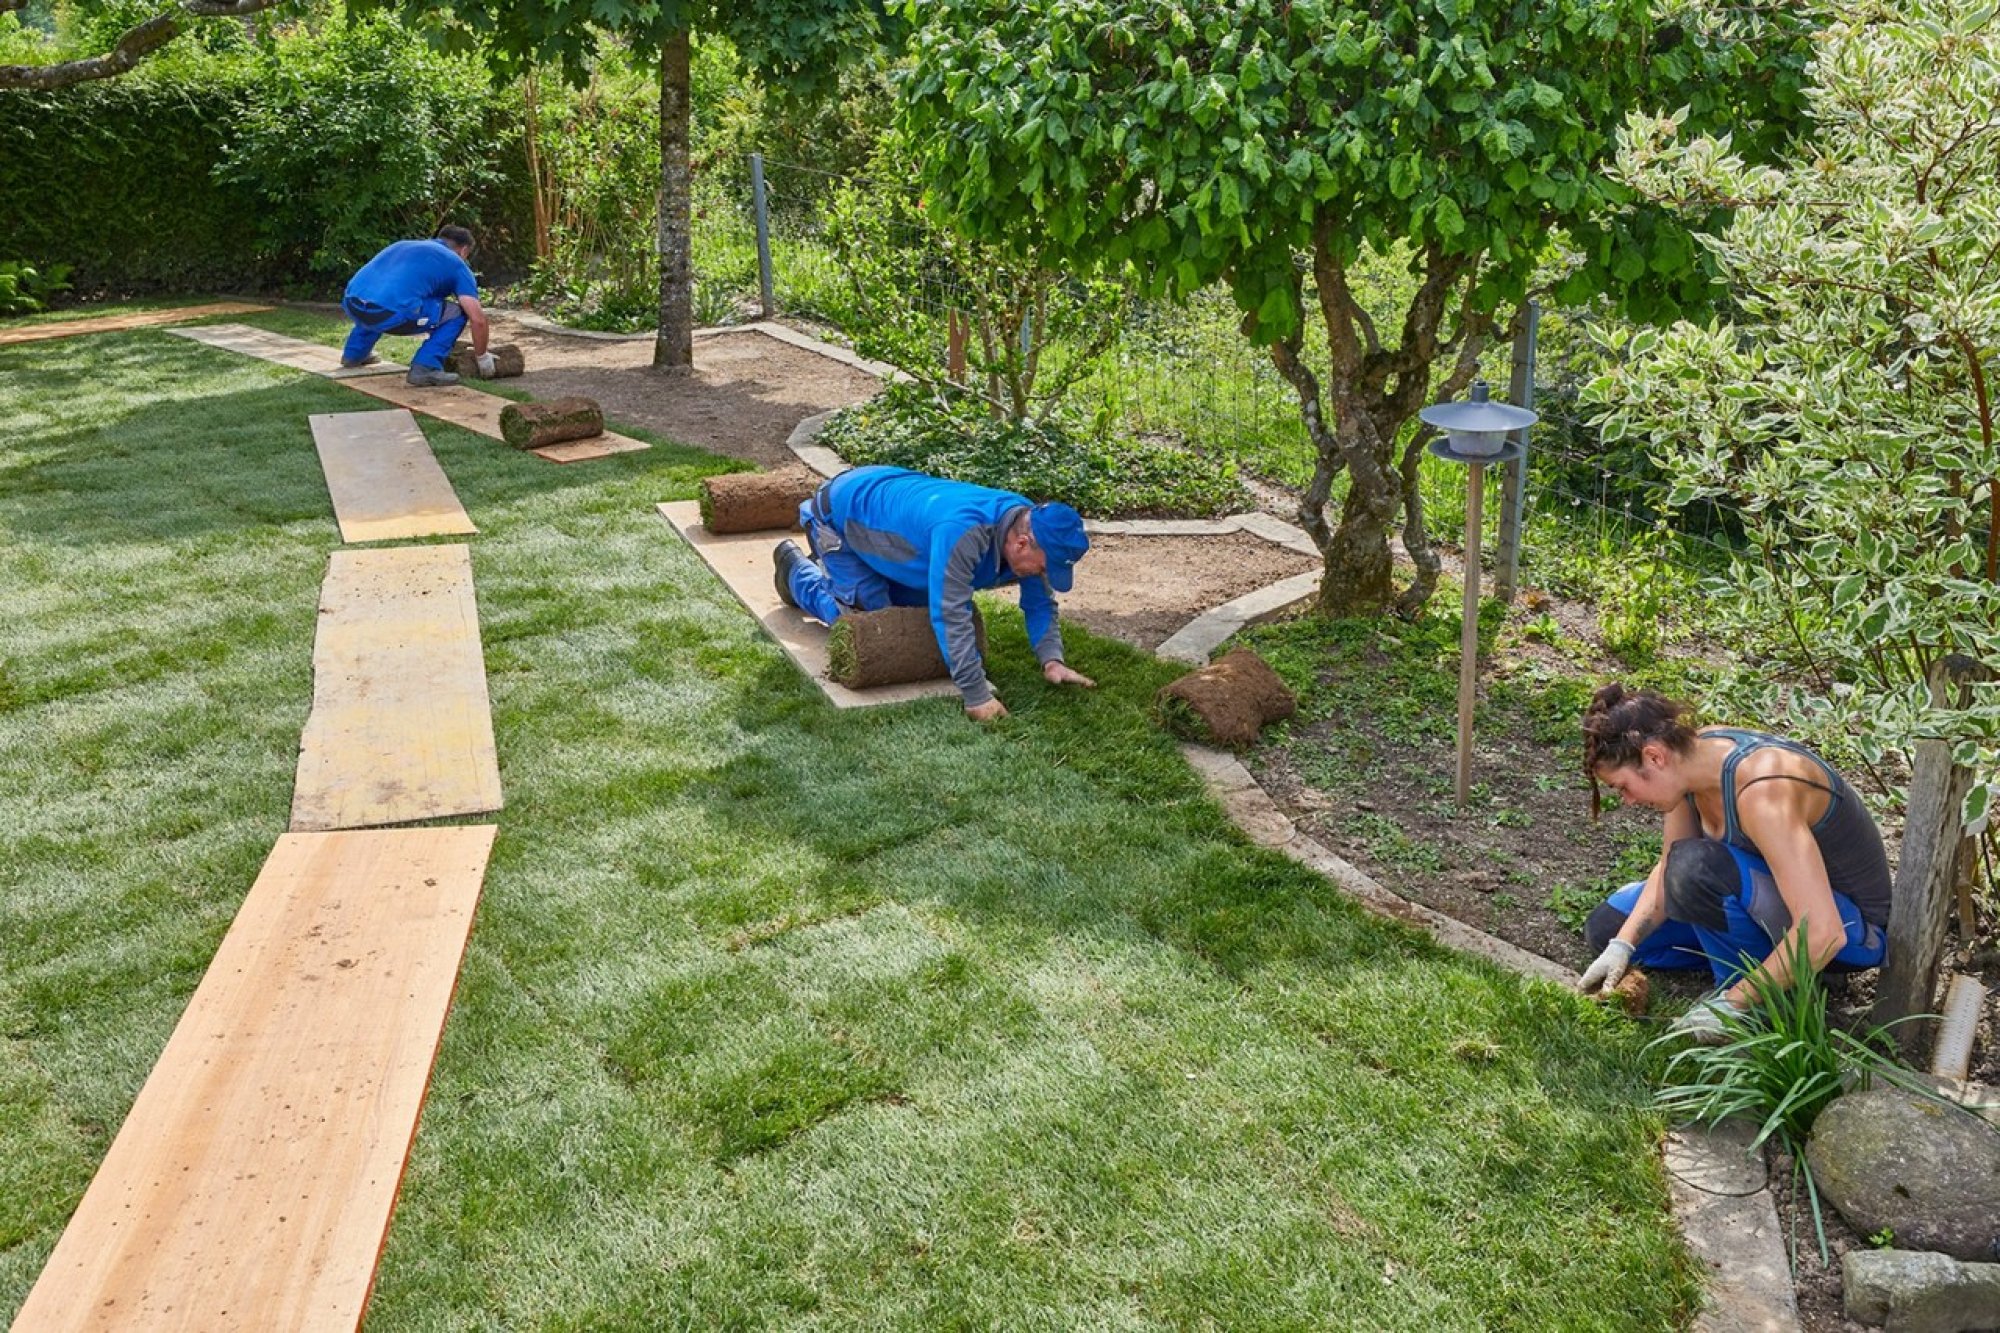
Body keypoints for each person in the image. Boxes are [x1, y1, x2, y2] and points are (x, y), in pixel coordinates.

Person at [1575, 683, 1893, 1040]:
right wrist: (1622, 945)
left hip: (1849, 932)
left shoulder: (1762, 793)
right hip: (1765, 901)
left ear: (1654, 757)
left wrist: (1732, 1003)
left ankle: (1762, 1004)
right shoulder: (1686, 766)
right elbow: (1668, 865)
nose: (1628, 801)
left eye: (1623, 787)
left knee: (1695, 869)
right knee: (1608, 928)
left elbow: (1824, 932)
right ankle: (1776, 968)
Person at [773, 464, 1096, 720]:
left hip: (891, 518)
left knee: (913, 614)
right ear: (1022, 543)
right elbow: (951, 611)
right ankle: (795, 573)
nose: (1043, 575)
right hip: (840, 514)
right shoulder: (964, 532)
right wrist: (977, 695)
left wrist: (1052, 661)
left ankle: (840, 573)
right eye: (1045, 568)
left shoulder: (1029, 524)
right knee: (873, 624)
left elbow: (1040, 604)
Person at [341, 225, 493, 387]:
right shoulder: (456, 263)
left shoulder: (402, 245)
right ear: (464, 250)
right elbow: (478, 319)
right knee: (457, 313)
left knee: (380, 299)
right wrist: (482, 357)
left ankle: (354, 354)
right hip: (391, 313)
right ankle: (426, 367)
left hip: (353, 304)